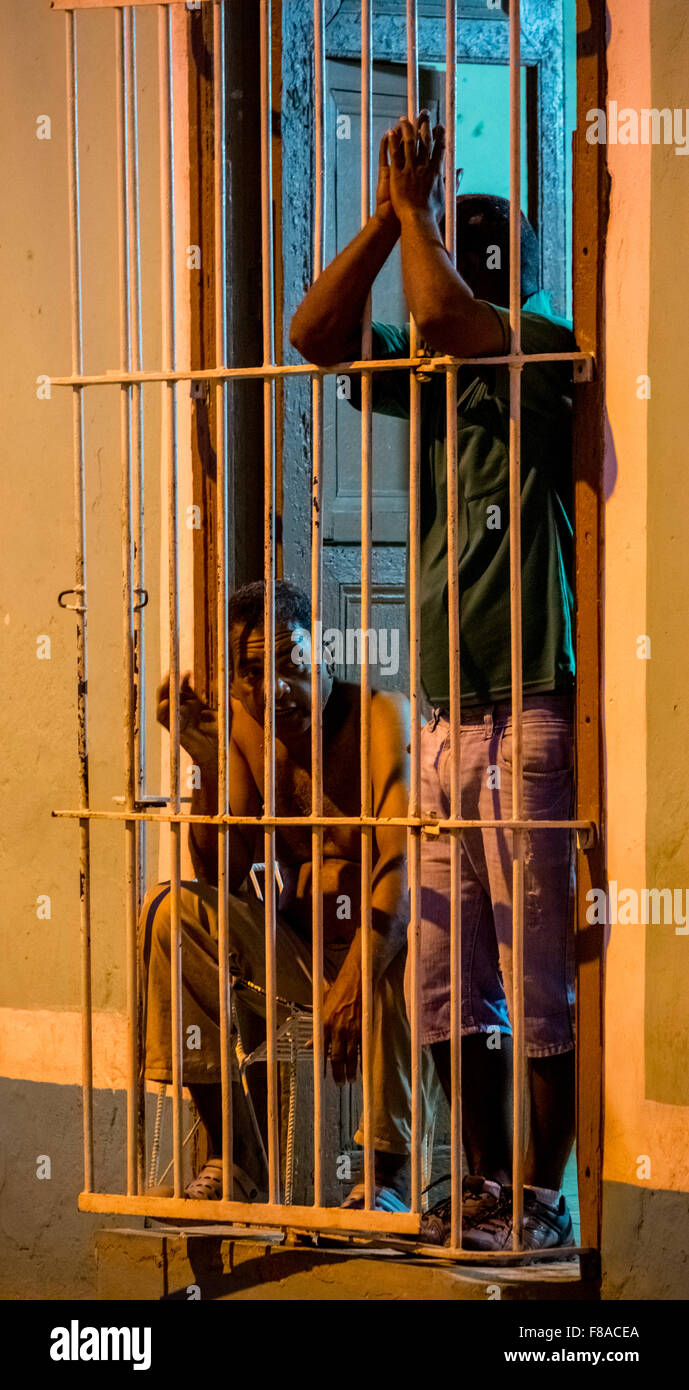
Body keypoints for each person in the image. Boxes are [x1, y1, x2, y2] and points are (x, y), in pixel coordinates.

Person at [290, 112, 578, 1250]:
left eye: (458, 238)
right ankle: (474, 1188)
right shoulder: (422, 376)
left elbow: (442, 313)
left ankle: (543, 1197)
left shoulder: (536, 344)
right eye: (438, 232)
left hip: (527, 708)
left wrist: (417, 221)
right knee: (447, 981)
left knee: (539, 977)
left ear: (497, 261)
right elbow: (314, 336)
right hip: (445, 714)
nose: (439, 252)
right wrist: (380, 215)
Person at [139, 579, 429, 1212]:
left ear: (324, 654)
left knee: (392, 934)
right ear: (237, 684)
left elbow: (401, 860)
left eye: (292, 665)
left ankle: (386, 1176)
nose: (276, 688)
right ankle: (234, 1159)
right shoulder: (245, 730)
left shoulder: (381, 715)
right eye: (253, 673)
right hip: (296, 949)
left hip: (380, 951)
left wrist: (355, 976)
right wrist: (207, 760)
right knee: (173, 911)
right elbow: (225, 870)